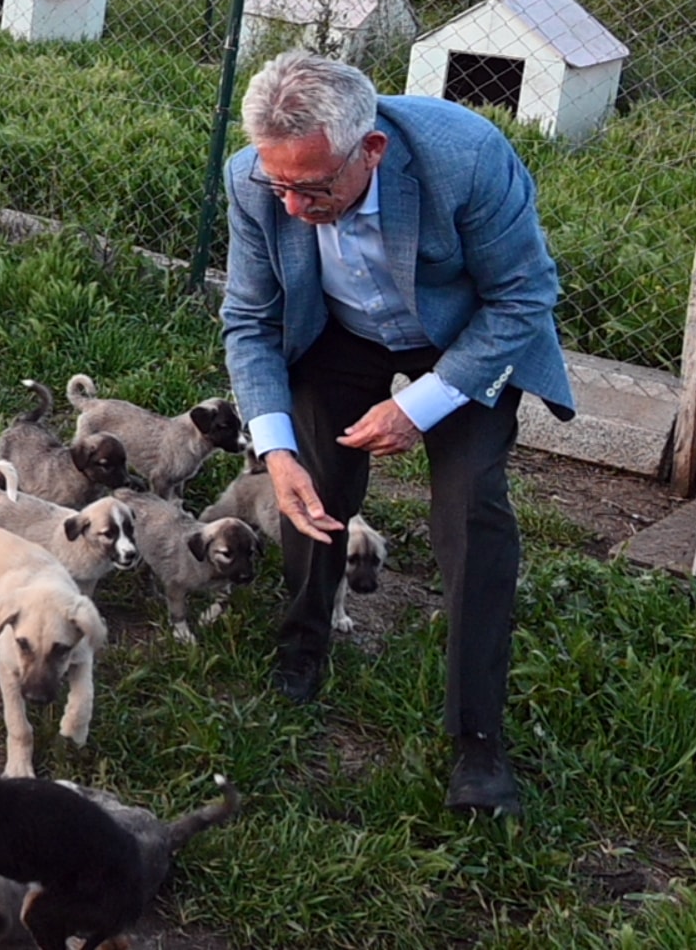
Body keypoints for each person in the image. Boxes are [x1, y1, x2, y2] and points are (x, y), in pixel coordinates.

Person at [220, 51, 573, 817]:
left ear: (371, 150)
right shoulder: (254, 177)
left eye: (315, 188)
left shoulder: (464, 157)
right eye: (280, 186)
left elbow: (525, 294)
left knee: (471, 511)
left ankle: (478, 739)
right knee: (314, 483)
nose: (293, 207)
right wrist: (274, 449)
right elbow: (250, 319)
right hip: (338, 334)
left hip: (463, 335)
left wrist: (422, 406)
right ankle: (302, 645)